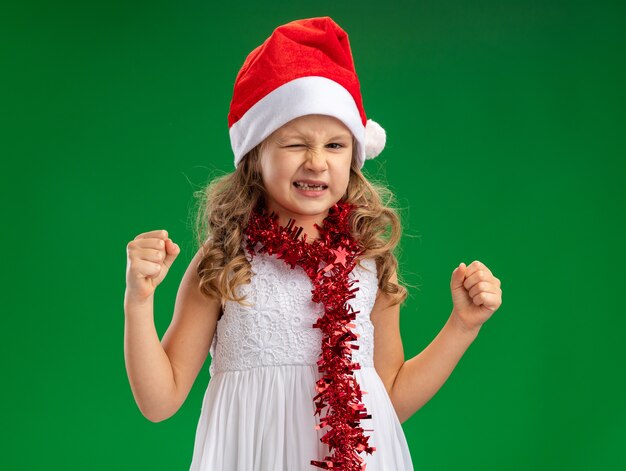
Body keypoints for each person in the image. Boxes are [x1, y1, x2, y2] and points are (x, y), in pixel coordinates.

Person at [123, 16, 503, 471]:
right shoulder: (225, 258)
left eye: (337, 145)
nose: (317, 162)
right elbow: (159, 401)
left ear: (355, 156)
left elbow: (389, 400)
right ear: (255, 156)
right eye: (295, 143)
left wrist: (463, 326)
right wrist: (139, 301)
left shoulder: (367, 263)